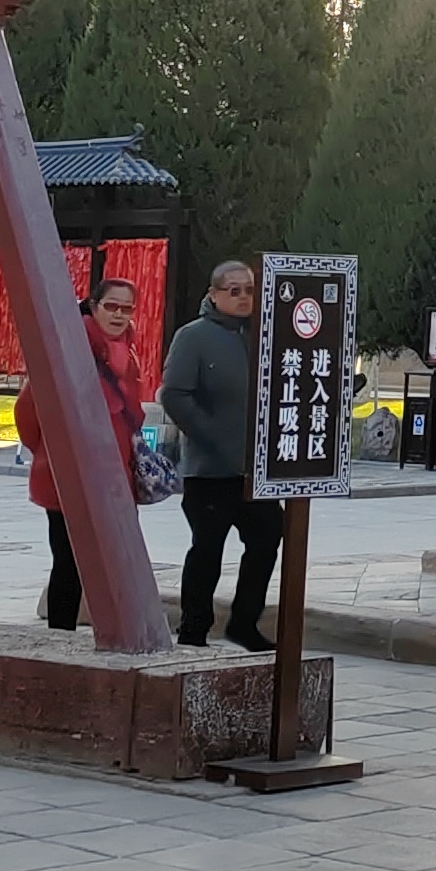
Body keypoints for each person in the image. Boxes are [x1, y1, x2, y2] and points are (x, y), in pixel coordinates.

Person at [157, 258, 280, 650]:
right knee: (207, 548)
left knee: (267, 537)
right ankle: (194, 628)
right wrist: (209, 435)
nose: (243, 297)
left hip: (254, 471)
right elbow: (174, 394)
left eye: (250, 290)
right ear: (214, 294)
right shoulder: (193, 336)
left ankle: (244, 622)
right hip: (210, 470)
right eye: (234, 290)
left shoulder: (263, 334)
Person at [14, 273, 145, 632]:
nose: (118, 315)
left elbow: (133, 412)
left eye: (127, 309)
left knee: (114, 560)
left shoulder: (127, 353)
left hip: (115, 475)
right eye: (111, 306)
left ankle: (116, 634)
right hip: (68, 475)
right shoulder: (67, 348)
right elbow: (28, 412)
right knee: (69, 561)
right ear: (94, 306)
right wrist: (53, 453)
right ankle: (60, 637)